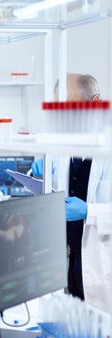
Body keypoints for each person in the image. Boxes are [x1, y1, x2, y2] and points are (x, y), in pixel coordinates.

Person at [32, 73, 111, 314]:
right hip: (70, 260)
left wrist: (90, 211)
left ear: (96, 102)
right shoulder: (64, 142)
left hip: (103, 261)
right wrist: (38, 175)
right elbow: (54, 185)